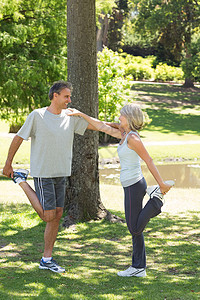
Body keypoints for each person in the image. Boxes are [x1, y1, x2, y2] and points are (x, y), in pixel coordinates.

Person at [68, 104, 174, 277]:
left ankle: (156, 200)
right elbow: (100, 125)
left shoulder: (133, 138)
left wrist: (161, 183)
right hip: (129, 185)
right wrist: (81, 114)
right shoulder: (123, 135)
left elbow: (149, 160)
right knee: (135, 228)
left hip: (134, 185)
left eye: (122, 115)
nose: (119, 116)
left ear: (130, 118)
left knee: (134, 228)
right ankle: (138, 267)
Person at [3, 80, 97, 273]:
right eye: (66, 96)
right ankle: (20, 180)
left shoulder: (70, 117)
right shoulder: (37, 115)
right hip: (43, 173)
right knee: (48, 215)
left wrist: (120, 126)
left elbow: (95, 126)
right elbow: (18, 137)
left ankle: (47, 259)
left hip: (61, 173)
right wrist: (8, 164)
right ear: (55, 96)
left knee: (57, 215)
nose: (69, 100)